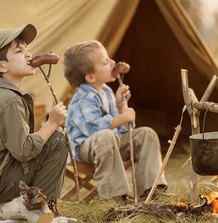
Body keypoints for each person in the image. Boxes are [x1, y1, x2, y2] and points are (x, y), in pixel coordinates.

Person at [0, 24, 69, 219]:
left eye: (27, 50)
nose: (29, 55)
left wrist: (51, 127)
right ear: (1, 66)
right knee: (57, 141)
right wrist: (51, 123)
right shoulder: (7, 100)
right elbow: (23, 150)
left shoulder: (6, 95)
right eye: (19, 51)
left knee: (53, 138)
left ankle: (36, 204)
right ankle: (42, 208)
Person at [63, 40, 167, 205]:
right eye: (105, 62)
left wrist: (120, 106)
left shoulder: (107, 92)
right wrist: (122, 118)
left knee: (146, 134)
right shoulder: (83, 98)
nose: (112, 63)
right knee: (105, 135)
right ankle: (117, 197)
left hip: (111, 143)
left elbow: (123, 129)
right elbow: (95, 129)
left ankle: (151, 189)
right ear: (91, 77)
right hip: (86, 150)